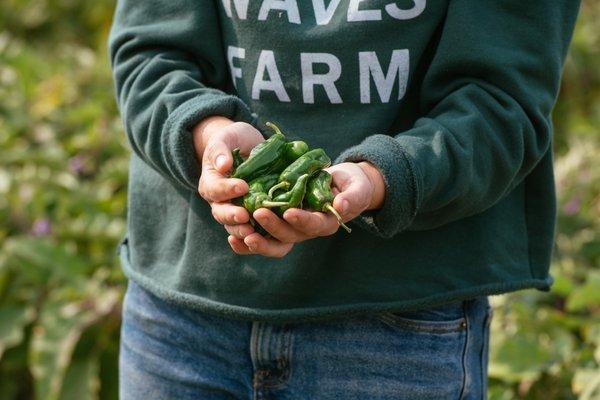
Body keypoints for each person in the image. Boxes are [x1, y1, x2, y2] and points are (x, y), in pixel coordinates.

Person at [109, 1, 580, 398]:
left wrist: (381, 179)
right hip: (183, 323)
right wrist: (206, 135)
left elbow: (502, 104)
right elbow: (150, 54)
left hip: (398, 325)